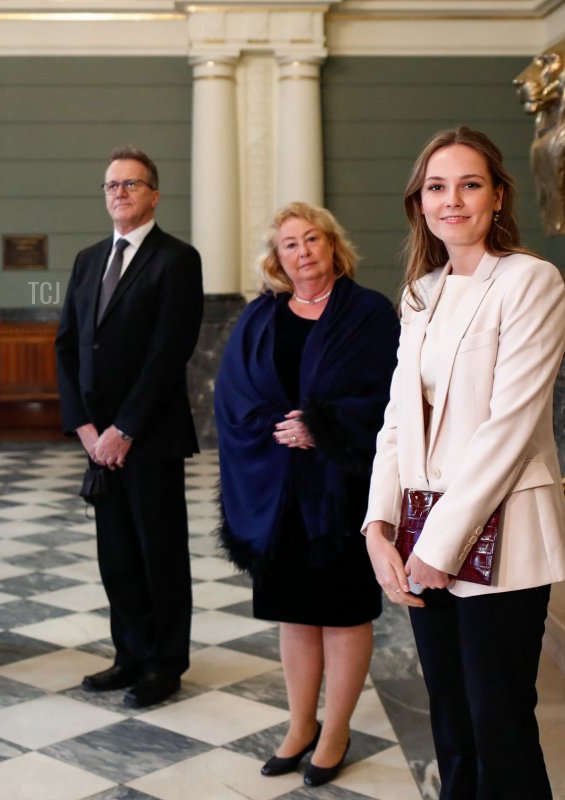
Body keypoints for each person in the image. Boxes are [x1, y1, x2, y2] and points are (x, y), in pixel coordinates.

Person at [364, 127, 565, 799]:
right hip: (422, 529)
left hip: (500, 533)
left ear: (498, 196)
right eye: (436, 186)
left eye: (469, 184)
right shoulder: (420, 293)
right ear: (419, 203)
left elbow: (509, 427)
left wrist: (440, 546)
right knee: (450, 723)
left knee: (498, 724)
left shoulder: (529, 282)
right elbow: (398, 420)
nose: (452, 200)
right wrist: (378, 526)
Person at [216, 202, 399, 786]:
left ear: (332, 246)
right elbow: (233, 395)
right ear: (278, 258)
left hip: (342, 490)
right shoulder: (260, 317)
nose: (303, 251)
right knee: (294, 614)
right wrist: (276, 429)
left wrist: (321, 426)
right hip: (279, 492)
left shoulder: (368, 312)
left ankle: (337, 728)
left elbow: (388, 396)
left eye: (312, 238)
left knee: (343, 613)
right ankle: (300, 725)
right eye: (290, 244)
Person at [55, 146, 204, 708]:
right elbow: (68, 344)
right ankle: (130, 654)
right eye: (112, 185)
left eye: (132, 184)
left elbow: (169, 352)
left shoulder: (177, 259)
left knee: (158, 551)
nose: (119, 192)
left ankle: (165, 664)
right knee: (115, 553)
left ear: (154, 194)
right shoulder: (88, 259)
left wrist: (125, 428)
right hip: (99, 440)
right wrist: (86, 428)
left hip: (150, 436)